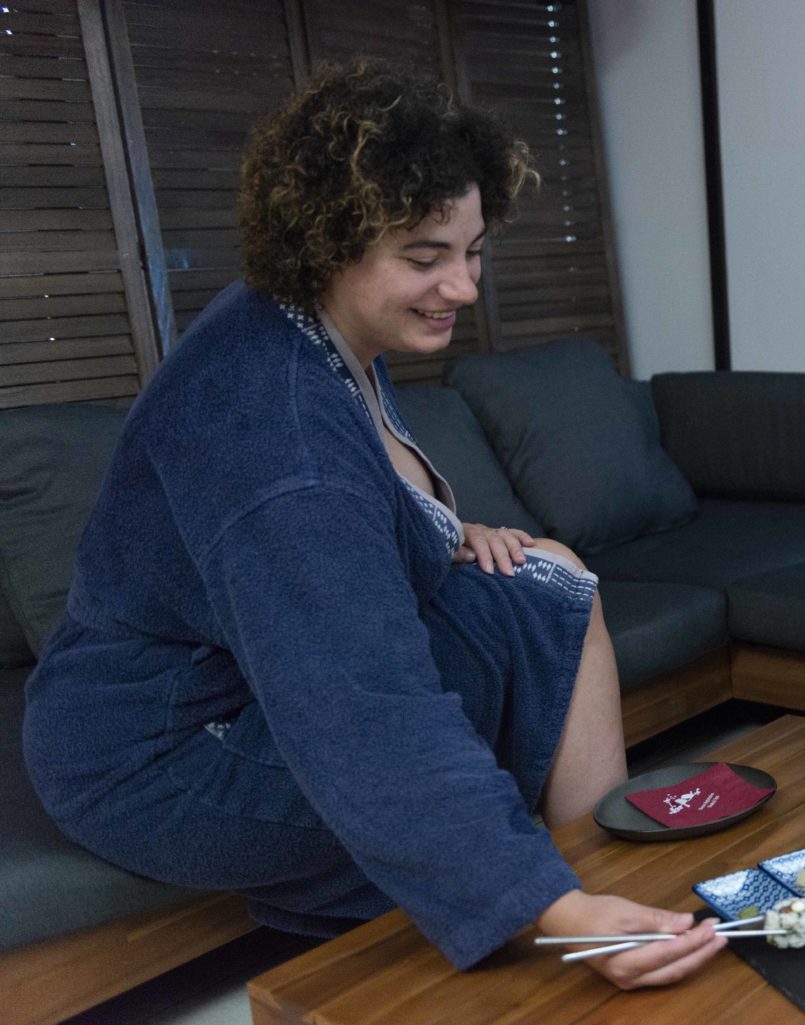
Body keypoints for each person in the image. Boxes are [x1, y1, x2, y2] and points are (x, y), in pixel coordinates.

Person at [22, 61, 724, 988]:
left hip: (243, 683)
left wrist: (443, 527)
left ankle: (595, 872)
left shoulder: (308, 328)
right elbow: (364, 708)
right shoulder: (275, 432)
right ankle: (573, 898)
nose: (463, 288)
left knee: (544, 572)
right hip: (163, 756)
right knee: (464, 694)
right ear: (325, 242)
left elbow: (358, 517)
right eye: (425, 258)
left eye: (471, 251)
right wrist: (551, 914)